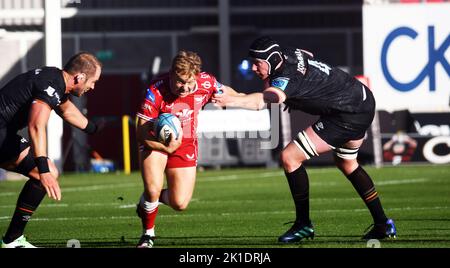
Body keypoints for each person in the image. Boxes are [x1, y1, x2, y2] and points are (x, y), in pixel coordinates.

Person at [213, 36, 397, 243]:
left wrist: (230, 100)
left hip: (346, 114)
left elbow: (264, 101)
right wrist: (293, 94)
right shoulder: (289, 52)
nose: (254, 68)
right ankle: (383, 223)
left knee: (290, 158)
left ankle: (303, 224)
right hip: (361, 99)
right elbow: (307, 55)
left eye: (258, 64)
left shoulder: (286, 77)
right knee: (347, 162)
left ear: (273, 60)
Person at [0, 52, 102, 248]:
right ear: (79, 77)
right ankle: (12, 240)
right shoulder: (52, 84)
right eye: (93, 81)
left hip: (4, 133)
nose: (93, 87)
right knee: (45, 173)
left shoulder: (55, 80)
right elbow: (36, 125)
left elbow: (66, 110)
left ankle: (13, 240)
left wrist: (93, 128)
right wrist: (44, 170)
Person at [135, 50, 230, 248]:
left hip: (185, 143)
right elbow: (140, 132)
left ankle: (147, 201)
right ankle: (148, 235)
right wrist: (165, 147)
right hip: (155, 141)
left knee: (180, 203)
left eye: (189, 82)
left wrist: (249, 100)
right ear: (171, 74)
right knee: (153, 187)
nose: (184, 88)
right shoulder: (155, 90)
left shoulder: (207, 82)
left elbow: (227, 93)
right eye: (179, 82)